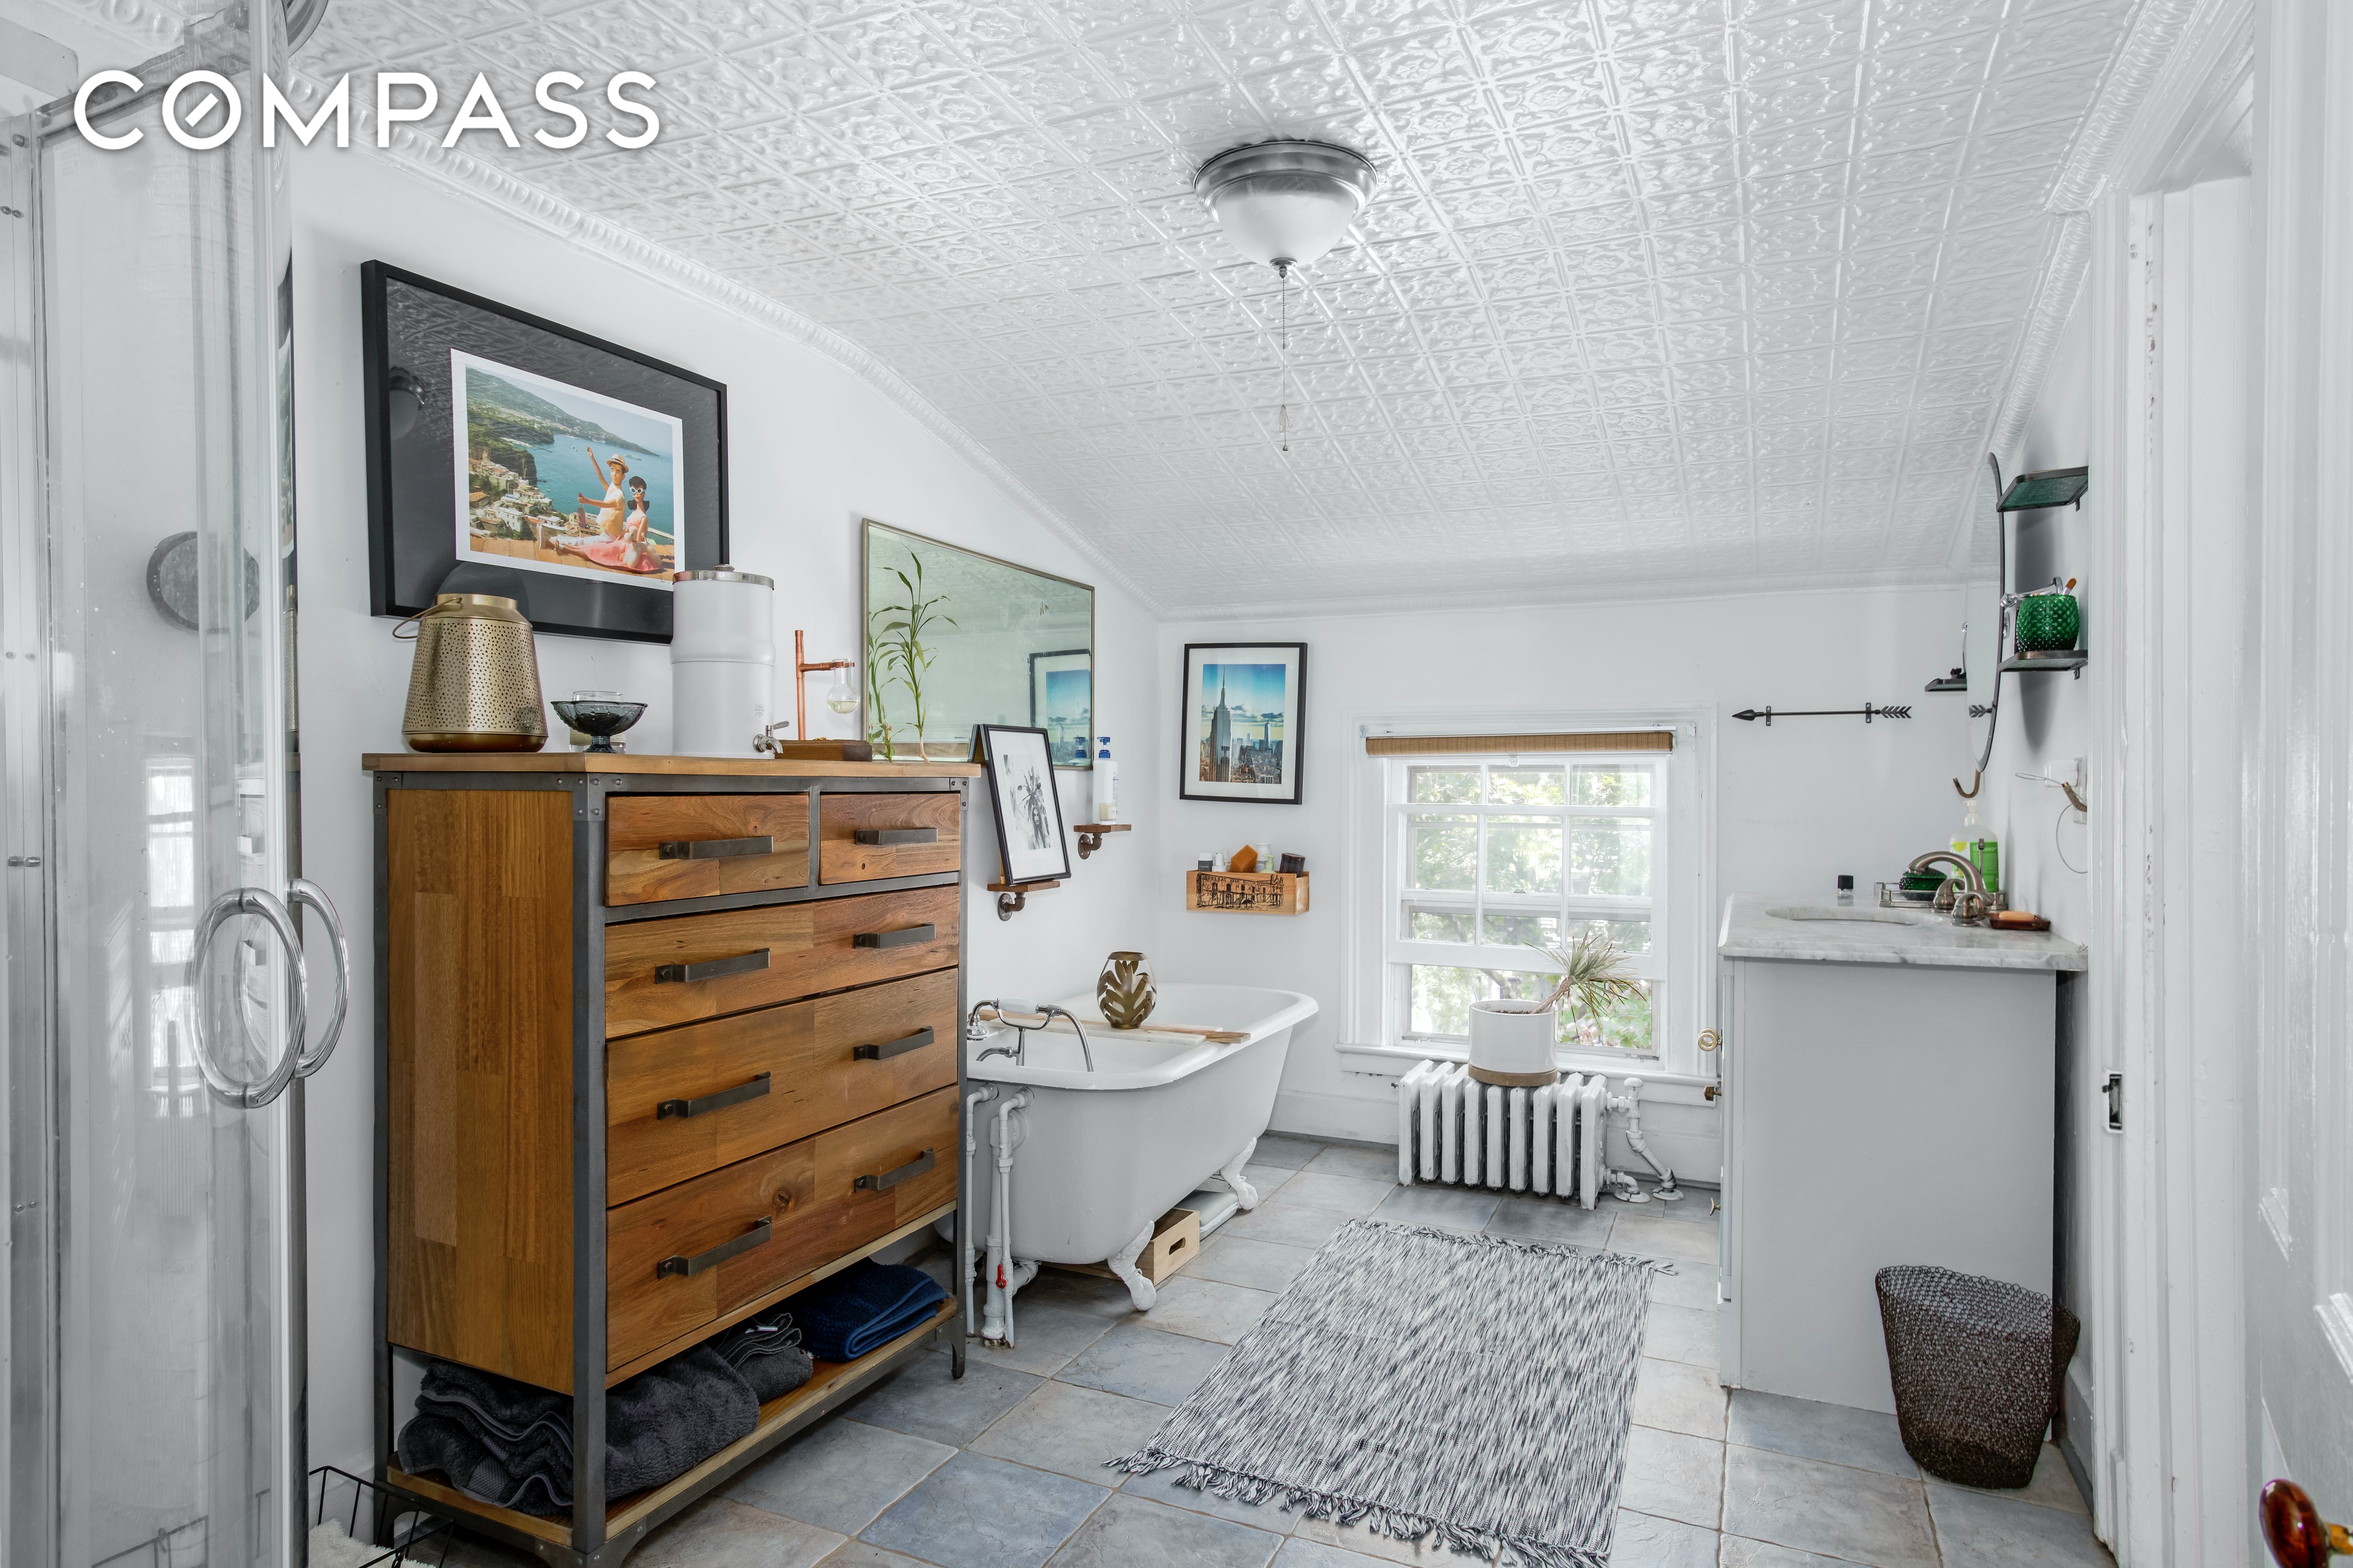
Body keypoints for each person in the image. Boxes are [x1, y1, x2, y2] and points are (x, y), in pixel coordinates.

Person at [574, 445, 627, 537]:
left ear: (623, 476)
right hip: (608, 533)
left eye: (618, 472)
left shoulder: (620, 496)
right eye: (612, 470)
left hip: (613, 536)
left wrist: (587, 501)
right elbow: (601, 477)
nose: (614, 475)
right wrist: (592, 458)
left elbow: (606, 505)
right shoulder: (613, 489)